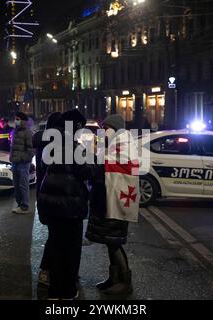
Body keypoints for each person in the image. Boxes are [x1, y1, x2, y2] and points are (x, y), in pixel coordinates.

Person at [37, 109, 95, 300]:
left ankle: (54, 292)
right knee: (71, 252)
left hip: (50, 204)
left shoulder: (51, 143)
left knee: (56, 249)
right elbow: (88, 172)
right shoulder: (74, 147)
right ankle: (68, 292)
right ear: (76, 127)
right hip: (70, 207)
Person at [86, 114, 138, 295]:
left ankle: (125, 281)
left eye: (106, 127)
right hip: (106, 199)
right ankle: (113, 278)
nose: (103, 131)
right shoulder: (111, 145)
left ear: (115, 128)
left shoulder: (122, 146)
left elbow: (104, 170)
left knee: (114, 242)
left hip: (115, 200)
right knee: (109, 241)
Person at [32, 112, 62, 286]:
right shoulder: (58, 143)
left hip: (43, 194)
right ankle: (47, 270)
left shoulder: (43, 141)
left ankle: (49, 270)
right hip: (56, 195)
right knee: (57, 236)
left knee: (54, 234)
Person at [10, 112, 34, 214]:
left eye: (18, 119)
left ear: (23, 120)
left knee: (23, 184)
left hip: (23, 163)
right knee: (16, 184)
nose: (16, 121)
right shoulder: (15, 131)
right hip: (15, 162)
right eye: (15, 118)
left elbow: (31, 150)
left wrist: (22, 158)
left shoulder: (28, 132)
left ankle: (24, 206)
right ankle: (20, 204)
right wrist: (12, 158)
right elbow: (13, 147)